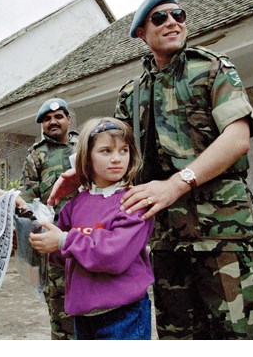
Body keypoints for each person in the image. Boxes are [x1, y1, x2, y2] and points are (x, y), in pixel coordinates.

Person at [49, 0, 253, 339]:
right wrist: (78, 173)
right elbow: (115, 148)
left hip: (221, 232)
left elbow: (237, 137)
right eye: (159, 18)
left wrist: (176, 184)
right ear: (142, 33)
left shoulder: (212, 68)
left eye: (178, 15)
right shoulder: (132, 93)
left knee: (237, 333)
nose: (172, 22)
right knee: (176, 334)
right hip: (165, 236)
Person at [30, 117, 153, 340]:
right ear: (87, 157)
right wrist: (43, 241)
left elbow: (114, 255)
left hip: (124, 314)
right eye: (106, 151)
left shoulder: (133, 202)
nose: (117, 159)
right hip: (84, 315)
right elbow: (63, 255)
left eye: (123, 150)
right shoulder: (76, 203)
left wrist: (64, 241)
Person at [19, 97, 78, 339]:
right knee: (61, 309)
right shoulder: (36, 155)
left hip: (88, 235)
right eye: (46, 119)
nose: (52, 122)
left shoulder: (85, 145)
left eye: (58, 116)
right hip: (54, 243)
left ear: (68, 119)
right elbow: (27, 197)